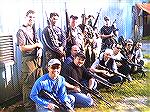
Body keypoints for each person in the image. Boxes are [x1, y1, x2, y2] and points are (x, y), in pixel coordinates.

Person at [16, 10, 43, 111]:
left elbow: (39, 42)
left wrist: (39, 49)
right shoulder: (21, 31)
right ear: (26, 17)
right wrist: (36, 46)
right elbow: (22, 48)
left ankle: (39, 105)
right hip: (28, 61)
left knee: (39, 82)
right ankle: (29, 108)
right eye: (30, 17)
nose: (32, 19)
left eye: (33, 17)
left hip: (37, 59)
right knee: (29, 85)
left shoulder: (33, 29)